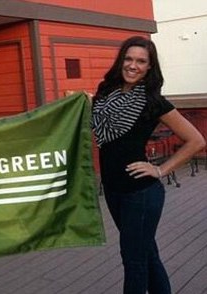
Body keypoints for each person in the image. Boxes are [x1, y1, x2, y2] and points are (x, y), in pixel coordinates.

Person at [91, 36, 205, 294]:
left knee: (134, 261)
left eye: (141, 61)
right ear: (121, 60)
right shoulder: (106, 92)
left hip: (140, 193)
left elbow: (196, 141)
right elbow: (95, 116)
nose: (133, 65)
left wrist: (160, 170)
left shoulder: (154, 102)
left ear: (150, 67)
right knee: (147, 255)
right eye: (129, 59)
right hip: (113, 190)